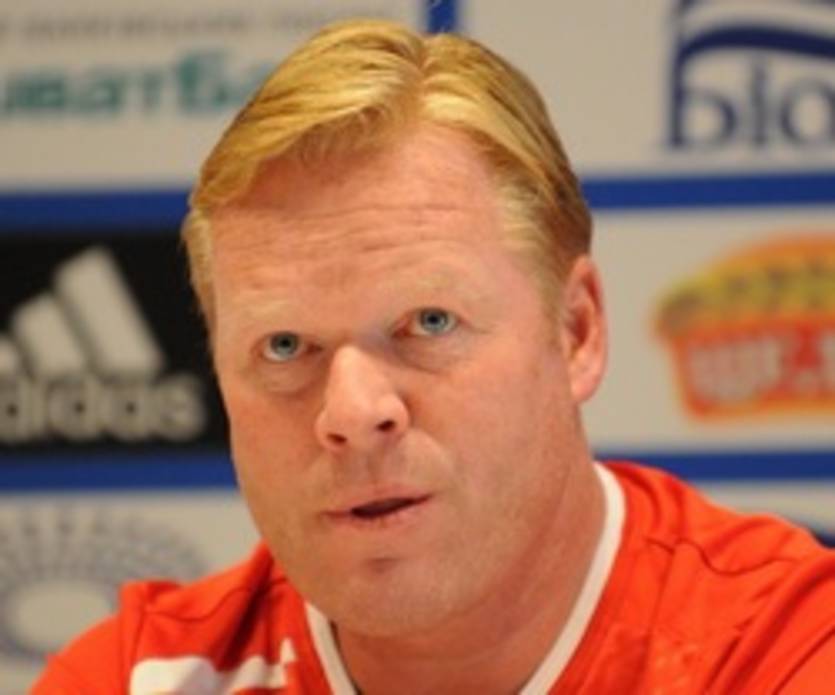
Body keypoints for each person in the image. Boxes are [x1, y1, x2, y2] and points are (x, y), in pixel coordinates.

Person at [34, 18, 835, 694]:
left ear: (576, 332)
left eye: (428, 321)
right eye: (284, 346)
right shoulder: (137, 675)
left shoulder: (781, 648)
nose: (352, 411)